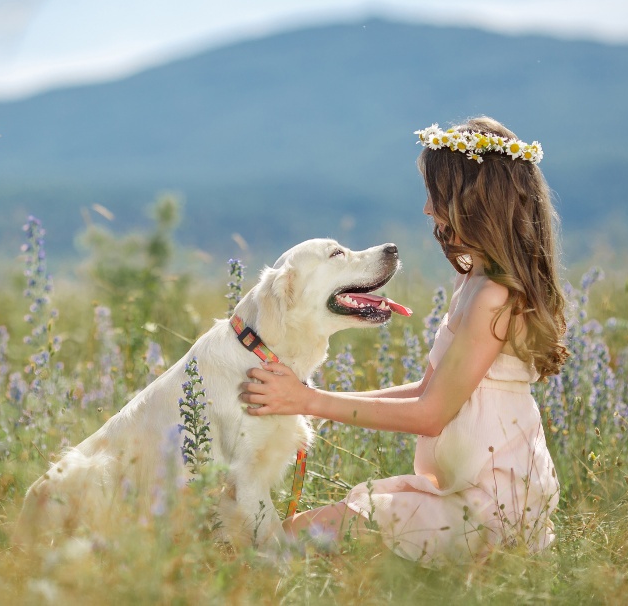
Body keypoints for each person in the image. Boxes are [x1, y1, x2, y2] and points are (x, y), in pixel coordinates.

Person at [240, 116, 568, 566]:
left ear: (471, 199)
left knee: (296, 542)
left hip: (490, 507)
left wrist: (309, 401)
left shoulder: (494, 295)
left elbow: (431, 415)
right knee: (295, 538)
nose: (427, 209)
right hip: (462, 490)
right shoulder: (473, 279)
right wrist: (305, 399)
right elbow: (425, 391)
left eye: (435, 193)